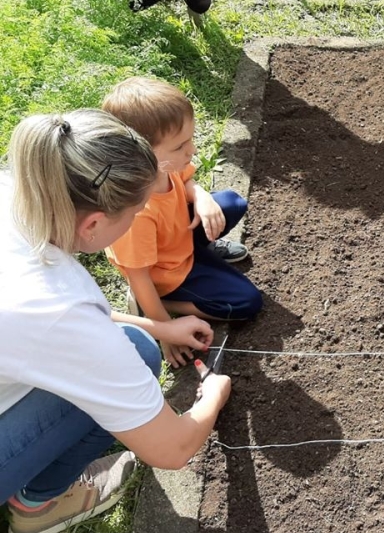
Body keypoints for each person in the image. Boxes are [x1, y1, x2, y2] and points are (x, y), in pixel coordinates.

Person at [0, 109, 231, 533]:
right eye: (135, 213)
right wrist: (212, 396)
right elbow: (174, 449)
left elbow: (63, 328)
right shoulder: (57, 305)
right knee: (136, 354)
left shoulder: (14, 190)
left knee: (140, 343)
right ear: (93, 224)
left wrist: (160, 328)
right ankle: (37, 507)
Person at [102, 77, 263, 368]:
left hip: (179, 238)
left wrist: (200, 195)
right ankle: (158, 304)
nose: (191, 151)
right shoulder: (136, 212)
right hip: (168, 274)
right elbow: (140, 276)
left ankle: (204, 250)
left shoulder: (164, 166)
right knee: (247, 303)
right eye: (180, 146)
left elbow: (185, 180)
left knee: (230, 203)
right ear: (140, 154)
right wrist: (164, 330)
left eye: (190, 139)